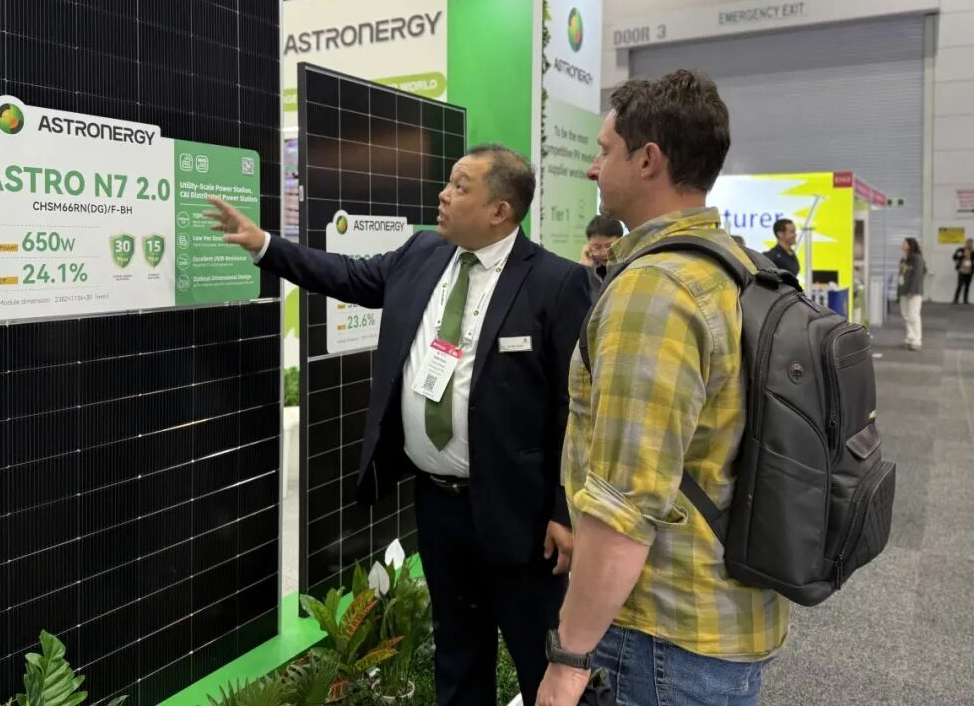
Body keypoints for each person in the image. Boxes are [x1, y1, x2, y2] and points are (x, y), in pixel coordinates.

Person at [206, 145, 591, 706]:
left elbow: (574, 407)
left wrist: (565, 508)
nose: (443, 194)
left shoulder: (557, 282)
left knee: (541, 660)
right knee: (458, 654)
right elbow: (347, 275)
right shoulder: (423, 253)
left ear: (499, 211)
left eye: (460, 186)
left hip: (520, 512)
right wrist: (265, 244)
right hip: (438, 505)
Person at [537, 71, 787, 706]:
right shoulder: (739, 266)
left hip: (662, 636)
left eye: (604, 151)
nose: (593, 168)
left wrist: (568, 659)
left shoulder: (657, 289)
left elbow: (625, 501)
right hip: (723, 615)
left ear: (648, 159)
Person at [579, 215, 624, 302]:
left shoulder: (630, 265)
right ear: (588, 246)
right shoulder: (584, 267)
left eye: (609, 246)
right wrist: (586, 269)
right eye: (597, 247)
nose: (604, 252)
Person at [899, 237, 927, 351]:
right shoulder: (905, 259)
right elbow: (902, 275)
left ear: (910, 245)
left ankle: (917, 340)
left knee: (913, 315)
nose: (902, 244)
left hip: (914, 292)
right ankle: (910, 337)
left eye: (904, 242)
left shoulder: (917, 259)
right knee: (906, 315)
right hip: (903, 291)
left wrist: (912, 290)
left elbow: (918, 276)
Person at [952, 238, 973, 304]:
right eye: (968, 243)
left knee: (967, 286)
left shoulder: (973, 252)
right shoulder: (961, 250)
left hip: (970, 271)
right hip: (961, 270)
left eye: (971, 243)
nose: (970, 244)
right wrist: (962, 255)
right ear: (966, 243)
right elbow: (954, 257)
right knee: (959, 286)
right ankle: (955, 300)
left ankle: (965, 300)